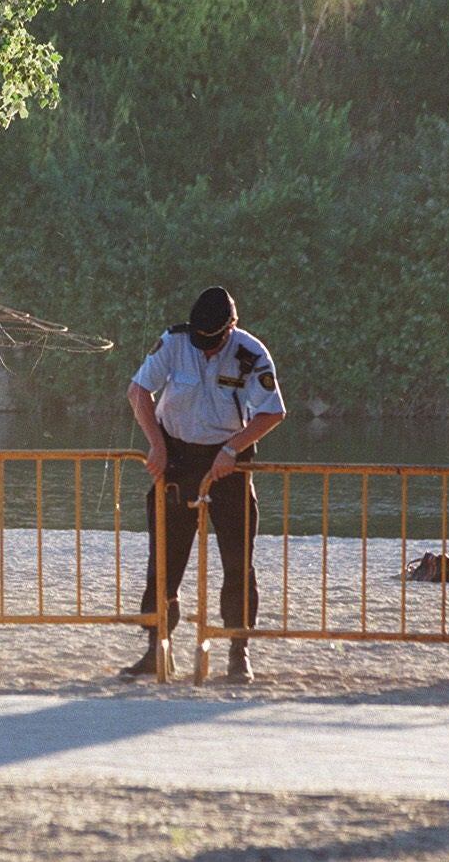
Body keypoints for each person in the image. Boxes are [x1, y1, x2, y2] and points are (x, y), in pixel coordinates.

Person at [120, 287, 285, 683]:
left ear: (232, 327)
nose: (207, 349)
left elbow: (272, 412)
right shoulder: (175, 342)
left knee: (237, 562)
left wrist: (232, 450)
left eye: (214, 342)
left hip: (228, 460)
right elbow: (137, 392)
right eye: (201, 341)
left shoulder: (250, 353)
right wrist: (156, 446)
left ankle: (237, 650)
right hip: (176, 457)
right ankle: (155, 649)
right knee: (164, 561)